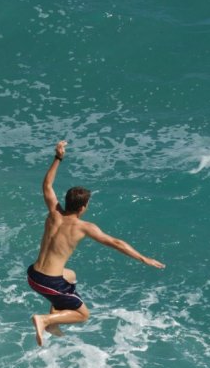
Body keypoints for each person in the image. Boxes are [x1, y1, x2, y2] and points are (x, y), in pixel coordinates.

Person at [28, 141, 165, 346]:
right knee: (83, 315)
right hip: (49, 283)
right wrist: (143, 258)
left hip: (33, 275)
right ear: (83, 207)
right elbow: (116, 242)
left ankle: (54, 317)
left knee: (71, 275)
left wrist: (58, 157)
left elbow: (47, 185)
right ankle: (45, 320)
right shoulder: (84, 227)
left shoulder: (54, 213)